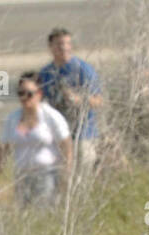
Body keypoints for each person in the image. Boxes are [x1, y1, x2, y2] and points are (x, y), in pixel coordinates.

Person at [0, 72, 72, 208]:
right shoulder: (12, 119)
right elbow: (3, 150)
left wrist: (66, 175)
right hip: (22, 176)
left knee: (43, 213)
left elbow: (66, 145)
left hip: (47, 175)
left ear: (39, 93)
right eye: (21, 93)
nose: (25, 98)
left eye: (29, 94)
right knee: (24, 215)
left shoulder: (51, 117)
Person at [38, 27, 102, 173]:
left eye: (67, 43)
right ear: (51, 47)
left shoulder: (82, 69)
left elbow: (98, 101)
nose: (64, 48)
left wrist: (78, 99)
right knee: (59, 178)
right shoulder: (46, 73)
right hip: (56, 136)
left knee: (80, 177)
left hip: (82, 134)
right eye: (60, 44)